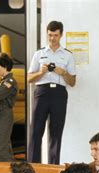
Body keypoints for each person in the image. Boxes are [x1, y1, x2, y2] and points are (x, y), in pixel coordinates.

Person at [28, 21, 76, 164]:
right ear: (46, 34)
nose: (52, 38)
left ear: (61, 34)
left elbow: (72, 82)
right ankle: (33, 166)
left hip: (59, 94)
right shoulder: (39, 54)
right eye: (50, 35)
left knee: (56, 132)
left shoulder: (68, 55)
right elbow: (29, 78)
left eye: (55, 35)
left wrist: (63, 73)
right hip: (41, 92)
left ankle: (53, 167)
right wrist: (41, 72)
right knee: (36, 131)